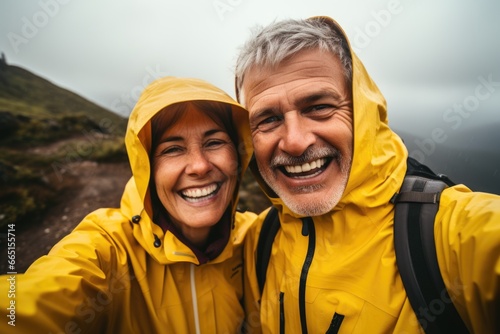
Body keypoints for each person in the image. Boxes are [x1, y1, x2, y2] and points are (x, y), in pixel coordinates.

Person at [235, 16, 500, 333]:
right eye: (268, 119)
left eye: (318, 106)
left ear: (363, 111)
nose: (294, 141)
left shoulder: (449, 235)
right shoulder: (257, 241)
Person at [0, 76, 256, 333]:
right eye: (172, 149)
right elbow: (35, 303)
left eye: (214, 143)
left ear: (238, 153)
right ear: (147, 168)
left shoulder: (256, 238)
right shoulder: (106, 247)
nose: (200, 166)